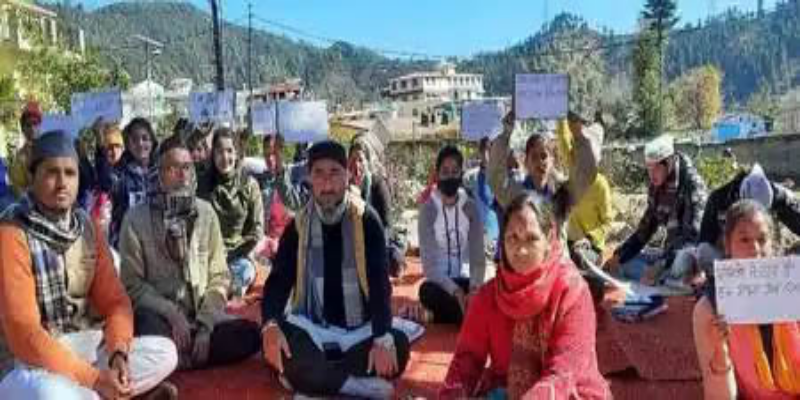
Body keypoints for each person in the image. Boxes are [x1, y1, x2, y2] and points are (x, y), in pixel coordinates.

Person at [0, 130, 178, 399]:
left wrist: (118, 354)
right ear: (33, 177)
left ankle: (106, 390)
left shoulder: (87, 226)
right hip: (28, 362)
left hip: (83, 343)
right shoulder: (11, 231)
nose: (62, 183)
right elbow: (24, 334)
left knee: (165, 353)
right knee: (51, 395)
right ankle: (109, 392)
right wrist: (94, 379)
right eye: (51, 173)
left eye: (70, 173)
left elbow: (115, 302)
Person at [261, 141, 410, 399]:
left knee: (399, 346)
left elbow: (379, 285)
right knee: (278, 342)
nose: (327, 183)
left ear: (347, 175)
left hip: (358, 330)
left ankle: (312, 381)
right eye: (319, 173)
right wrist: (270, 326)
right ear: (309, 178)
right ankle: (354, 386)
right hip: (312, 327)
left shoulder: (367, 220)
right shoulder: (298, 226)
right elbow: (278, 282)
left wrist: (382, 338)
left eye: (334, 172)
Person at [440, 193, 610, 399]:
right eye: (513, 238)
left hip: (569, 393)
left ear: (549, 238)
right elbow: (467, 360)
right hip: (507, 390)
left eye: (531, 239)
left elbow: (563, 374)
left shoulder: (572, 293)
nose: (521, 251)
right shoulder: (489, 296)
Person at [119, 135, 261, 370]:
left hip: (199, 317)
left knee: (251, 334)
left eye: (186, 167)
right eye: (173, 168)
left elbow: (219, 277)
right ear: (159, 174)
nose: (182, 175)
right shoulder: (135, 219)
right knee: (144, 324)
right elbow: (132, 285)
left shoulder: (206, 213)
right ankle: (182, 355)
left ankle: (179, 357)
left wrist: (205, 326)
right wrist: (172, 314)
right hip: (161, 319)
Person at [693, 199, 800, 399]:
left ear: (773, 243)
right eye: (744, 240)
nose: (755, 249)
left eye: (762, 239)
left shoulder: (792, 292)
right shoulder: (710, 310)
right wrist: (719, 350)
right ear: (727, 245)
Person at [488, 110, 604, 247]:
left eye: (544, 156)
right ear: (526, 162)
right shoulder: (516, 196)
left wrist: (578, 134)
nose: (540, 162)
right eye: (534, 157)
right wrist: (505, 133)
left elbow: (587, 174)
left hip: (557, 259)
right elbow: (495, 178)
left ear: (552, 161)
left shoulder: (562, 193)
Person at [605, 134, 708, 285]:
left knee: (682, 262)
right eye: (648, 168)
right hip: (667, 253)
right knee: (624, 262)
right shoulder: (656, 186)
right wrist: (619, 255)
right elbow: (645, 229)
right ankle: (660, 279)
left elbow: (692, 237)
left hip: (687, 254)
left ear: (669, 162)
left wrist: (662, 263)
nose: (651, 174)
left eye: (656, 168)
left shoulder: (692, 186)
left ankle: (666, 279)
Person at [417, 145, 486, 325]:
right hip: (441, 285)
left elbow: (478, 257)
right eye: (445, 172)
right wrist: (455, 291)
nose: (450, 177)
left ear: (461, 174)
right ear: (437, 174)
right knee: (426, 291)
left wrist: (474, 290)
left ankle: (441, 316)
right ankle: (473, 316)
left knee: (489, 292)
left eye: (455, 172)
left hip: (466, 281)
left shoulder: (470, 208)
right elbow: (429, 267)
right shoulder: (428, 210)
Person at [695, 163, 800, 279]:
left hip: (766, 259)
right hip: (728, 258)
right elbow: (704, 241)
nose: (754, 247)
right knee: (702, 252)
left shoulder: (780, 196)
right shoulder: (718, 198)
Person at [197, 128, 264, 298]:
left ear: (237, 153)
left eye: (229, 151)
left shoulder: (249, 185)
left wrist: (233, 254)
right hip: (208, 256)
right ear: (212, 155)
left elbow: (257, 230)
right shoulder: (202, 184)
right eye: (219, 151)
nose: (224, 157)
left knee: (244, 272)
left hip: (238, 258)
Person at [555, 119, 615, 300]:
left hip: (590, 246)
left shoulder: (600, 185)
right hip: (568, 242)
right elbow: (563, 138)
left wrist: (589, 238)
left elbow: (608, 222)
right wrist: (561, 113)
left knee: (583, 265)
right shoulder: (573, 171)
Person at [348, 133, 406, 277]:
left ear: (367, 162)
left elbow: (386, 225)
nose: (356, 165)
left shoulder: (378, 185)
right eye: (352, 160)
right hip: (351, 241)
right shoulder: (343, 187)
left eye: (360, 160)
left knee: (392, 263)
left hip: (376, 239)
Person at [254, 133, 308, 264]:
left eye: (274, 153)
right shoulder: (262, 181)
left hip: (292, 241)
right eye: (267, 155)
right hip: (268, 242)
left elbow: (311, 164)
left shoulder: (294, 173)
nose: (270, 159)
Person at [108, 118, 159, 247]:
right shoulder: (119, 173)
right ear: (128, 144)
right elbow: (105, 183)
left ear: (152, 141)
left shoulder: (162, 171)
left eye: (145, 138)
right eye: (135, 140)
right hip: (128, 243)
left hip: (157, 244)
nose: (140, 144)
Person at [464, 137, 500, 252]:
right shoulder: (470, 177)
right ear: (479, 152)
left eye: (489, 150)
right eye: (483, 150)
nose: (486, 155)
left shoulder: (502, 177)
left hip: (498, 237)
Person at [9, 101, 42, 198]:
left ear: (40, 126)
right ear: (23, 129)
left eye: (35, 124)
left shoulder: (50, 148)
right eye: (28, 125)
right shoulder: (20, 157)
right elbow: (18, 189)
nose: (32, 129)